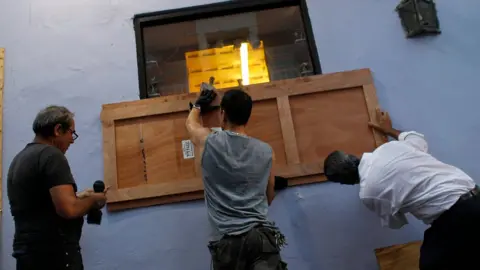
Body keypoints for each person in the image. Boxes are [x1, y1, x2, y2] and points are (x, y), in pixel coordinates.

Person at [323, 108, 479, 270]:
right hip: (474, 194)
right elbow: (417, 139)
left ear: (345, 182)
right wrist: (389, 130)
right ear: (352, 157)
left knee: (432, 264)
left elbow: (397, 223)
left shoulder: (368, 193)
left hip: (455, 216)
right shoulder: (389, 148)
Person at [185, 85, 287, 270]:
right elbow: (269, 197)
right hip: (261, 238)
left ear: (222, 114)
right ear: (247, 117)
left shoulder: (209, 142)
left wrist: (198, 106)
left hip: (227, 243)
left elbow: (191, 126)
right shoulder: (266, 151)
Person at [7, 105, 109, 270]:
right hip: (55, 257)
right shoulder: (52, 155)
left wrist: (80, 197)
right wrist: (95, 199)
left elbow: (42, 205)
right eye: (71, 133)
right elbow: (68, 209)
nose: (71, 140)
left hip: (27, 255)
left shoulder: (19, 159)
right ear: (58, 130)